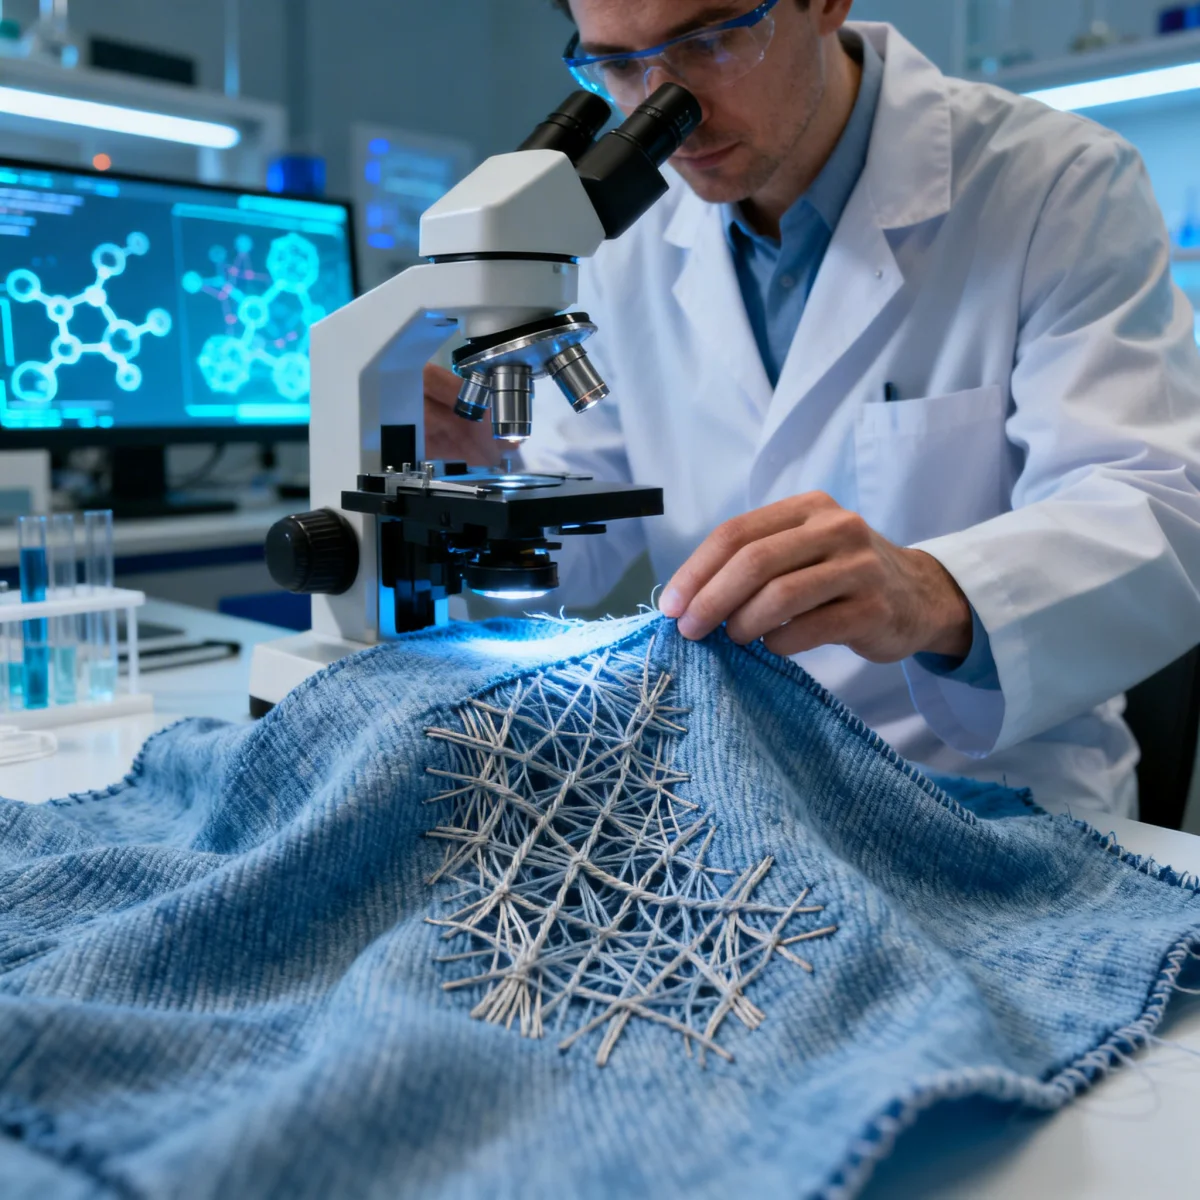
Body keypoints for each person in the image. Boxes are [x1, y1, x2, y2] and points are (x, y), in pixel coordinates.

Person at [425, 0, 1200, 819]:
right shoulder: (629, 239)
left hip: (982, 785)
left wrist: (932, 592)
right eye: (619, 65)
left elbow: (1156, 510)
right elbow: (578, 525)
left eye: (713, 40)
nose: (669, 110)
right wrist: (487, 484)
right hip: (723, 779)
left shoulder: (1054, 183)